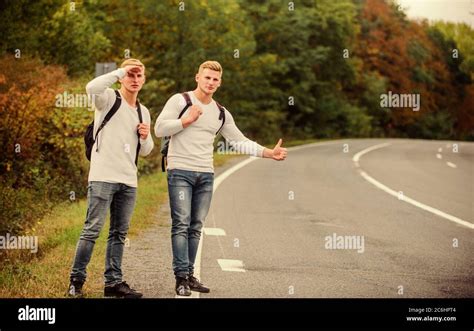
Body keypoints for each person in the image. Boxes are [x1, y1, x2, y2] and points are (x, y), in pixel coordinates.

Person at [154, 60, 287, 296]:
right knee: (181, 223)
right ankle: (181, 278)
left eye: (215, 79)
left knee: (196, 226)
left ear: (220, 83)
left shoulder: (221, 113)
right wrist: (186, 120)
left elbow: (239, 141)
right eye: (207, 78)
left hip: (205, 174)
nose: (211, 82)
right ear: (198, 77)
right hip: (180, 171)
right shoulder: (180, 101)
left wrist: (269, 152)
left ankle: (191, 276)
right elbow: (160, 129)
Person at [68, 58, 154, 298]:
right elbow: (90, 87)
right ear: (122, 77)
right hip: (103, 176)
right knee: (92, 230)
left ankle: (113, 283)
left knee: (119, 234)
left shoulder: (143, 111)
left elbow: (146, 151)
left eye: (139, 75)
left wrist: (145, 136)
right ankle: (76, 281)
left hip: (129, 180)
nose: (135, 79)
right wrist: (119, 71)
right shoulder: (107, 99)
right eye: (130, 75)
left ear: (144, 79)